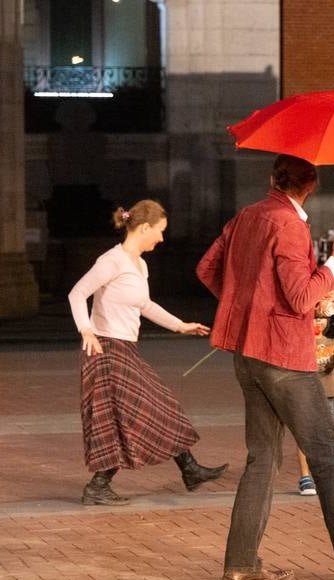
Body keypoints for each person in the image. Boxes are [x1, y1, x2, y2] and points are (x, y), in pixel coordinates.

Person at [196, 154, 334, 580]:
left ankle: (241, 563)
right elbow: (297, 297)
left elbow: (208, 269)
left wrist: (250, 308)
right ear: (310, 184)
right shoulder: (290, 225)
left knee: (262, 460)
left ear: (273, 178)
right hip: (283, 359)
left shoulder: (247, 215)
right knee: (328, 458)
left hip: (248, 353)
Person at [68, 201, 226, 507]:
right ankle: (101, 486)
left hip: (124, 349)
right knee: (132, 414)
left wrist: (180, 325)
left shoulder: (139, 264)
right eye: (160, 231)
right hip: (105, 349)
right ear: (144, 228)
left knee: (151, 407)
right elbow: (77, 294)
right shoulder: (111, 261)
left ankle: (188, 470)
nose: (162, 239)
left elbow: (145, 305)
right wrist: (86, 330)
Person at [296, 309, 334, 496]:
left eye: (322, 319)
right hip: (305, 392)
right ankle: (305, 476)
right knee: (304, 433)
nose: (318, 323)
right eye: (314, 319)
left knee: (329, 433)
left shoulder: (332, 343)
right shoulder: (301, 343)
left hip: (327, 394)